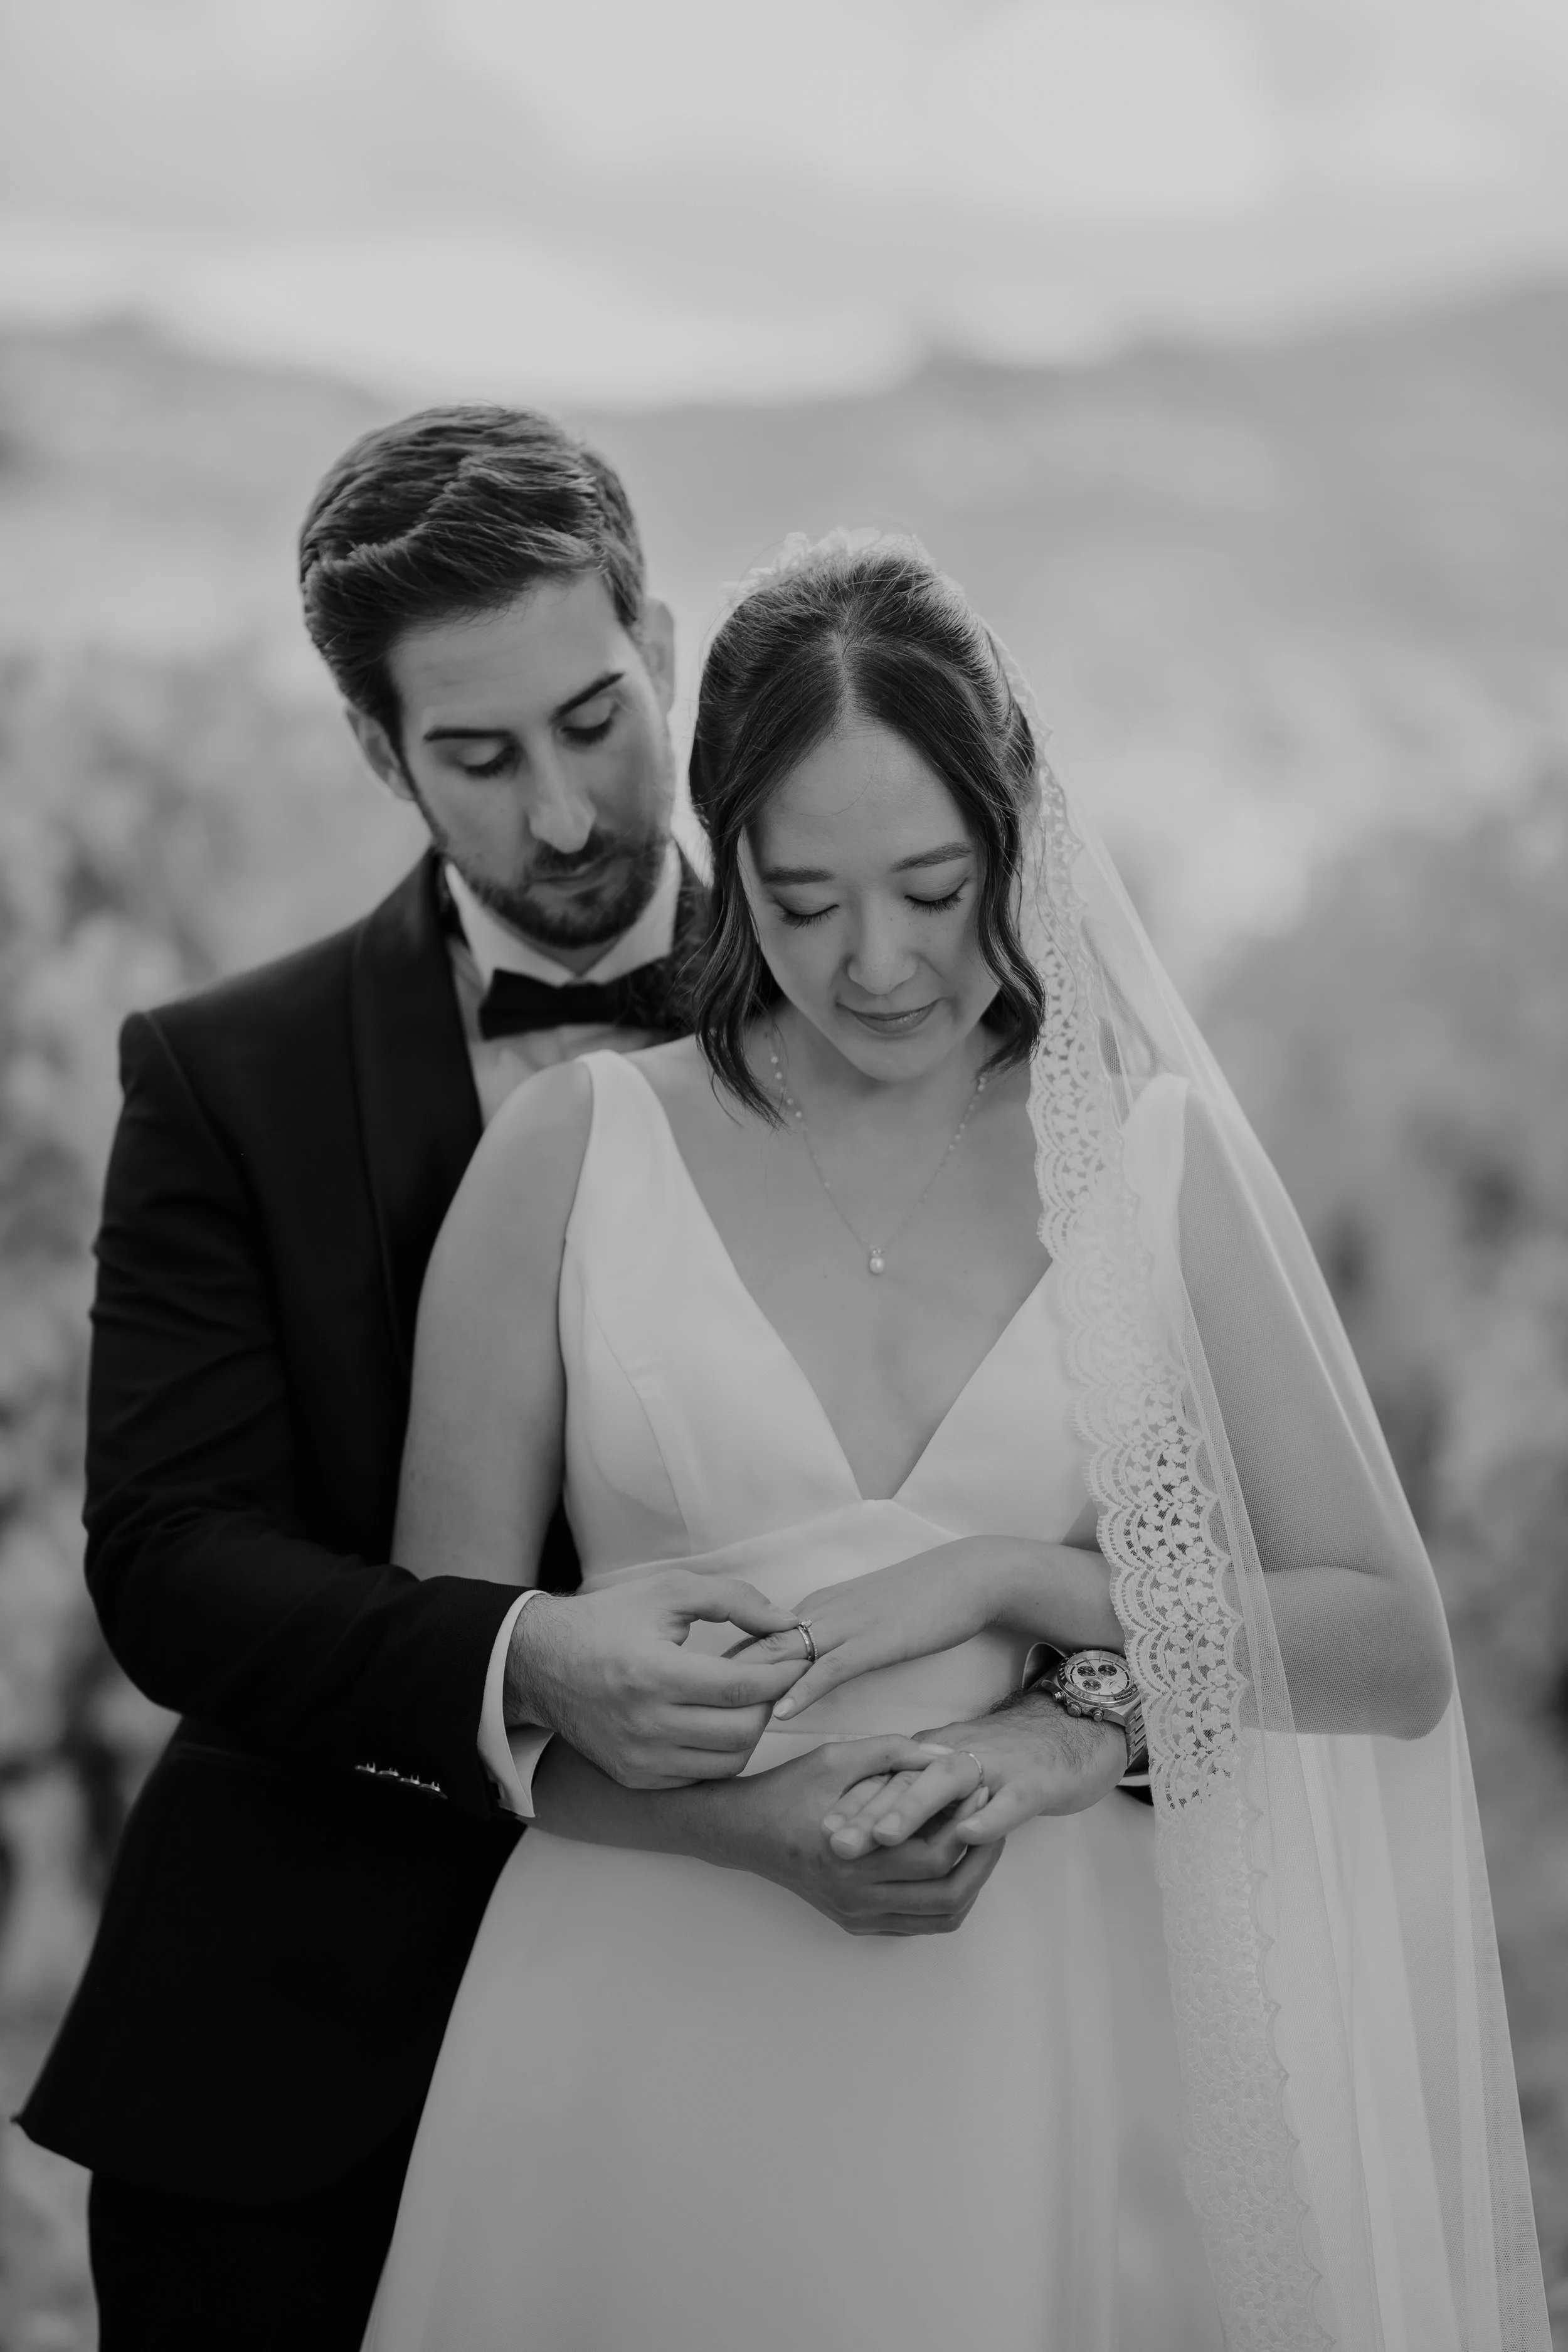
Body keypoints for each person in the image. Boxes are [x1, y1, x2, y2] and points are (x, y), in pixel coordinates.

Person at [361, 533, 1551, 2352]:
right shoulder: (570, 1154)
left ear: (1016, 839)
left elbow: (1379, 1641)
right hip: (628, 2041)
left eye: (931, 884)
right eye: (804, 893)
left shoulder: (1150, 1159)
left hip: (1050, 2033)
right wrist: (760, 1828)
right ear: (725, 852)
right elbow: (443, 1699)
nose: (881, 961)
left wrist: (1037, 1655)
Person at [18, 419, 1111, 2352]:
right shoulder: (222, 1076)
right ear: (377, 751)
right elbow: (171, 1556)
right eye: (478, 754)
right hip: (304, 2029)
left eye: (596, 716)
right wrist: (527, 1657)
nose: (566, 807)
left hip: (836, 2018)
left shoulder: (886, 987)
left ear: (664, 645)